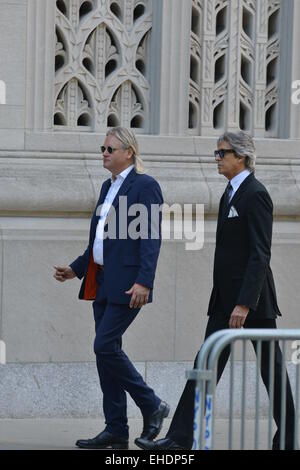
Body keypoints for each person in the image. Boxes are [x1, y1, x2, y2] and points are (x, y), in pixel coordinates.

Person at [135, 131, 296, 451]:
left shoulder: (256, 194)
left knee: (272, 370)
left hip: (252, 302)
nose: (217, 158)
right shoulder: (230, 194)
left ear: (242, 157)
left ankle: (291, 436)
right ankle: (181, 437)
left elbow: (260, 254)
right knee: (205, 364)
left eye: (223, 153)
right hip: (224, 301)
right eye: (217, 153)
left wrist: (245, 304)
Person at [54, 127, 169, 450]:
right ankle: (116, 428)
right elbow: (99, 241)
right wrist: (76, 269)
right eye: (102, 148)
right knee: (106, 354)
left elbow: (150, 237)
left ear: (128, 152)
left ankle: (152, 403)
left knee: (104, 346)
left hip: (129, 284)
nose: (103, 153)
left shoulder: (145, 186)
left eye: (109, 148)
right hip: (103, 282)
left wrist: (145, 280)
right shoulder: (108, 186)